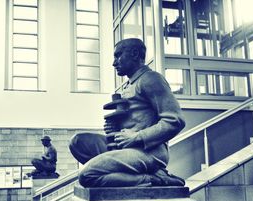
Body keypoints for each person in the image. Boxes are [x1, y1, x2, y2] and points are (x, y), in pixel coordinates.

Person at [69, 38, 186, 187]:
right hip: (125, 147)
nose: (114, 62)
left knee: (87, 175)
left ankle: (155, 179)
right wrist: (115, 129)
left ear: (135, 54)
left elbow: (175, 121)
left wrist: (137, 137)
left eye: (118, 55)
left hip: (149, 152)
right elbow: (135, 120)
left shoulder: (151, 79)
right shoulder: (129, 85)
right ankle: (135, 173)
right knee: (78, 142)